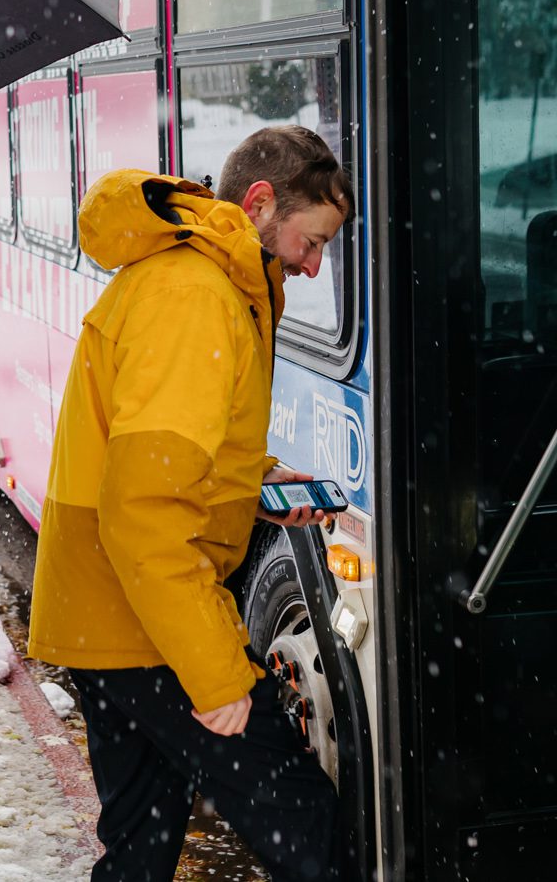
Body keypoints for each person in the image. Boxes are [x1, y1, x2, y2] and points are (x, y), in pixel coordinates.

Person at [28, 124, 355, 882]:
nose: (312, 265)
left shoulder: (205, 281)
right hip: (145, 620)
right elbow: (144, 513)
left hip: (106, 613)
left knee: (141, 843)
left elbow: (172, 457)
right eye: (313, 241)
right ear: (263, 202)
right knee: (303, 816)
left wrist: (259, 486)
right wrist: (216, 677)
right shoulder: (196, 298)